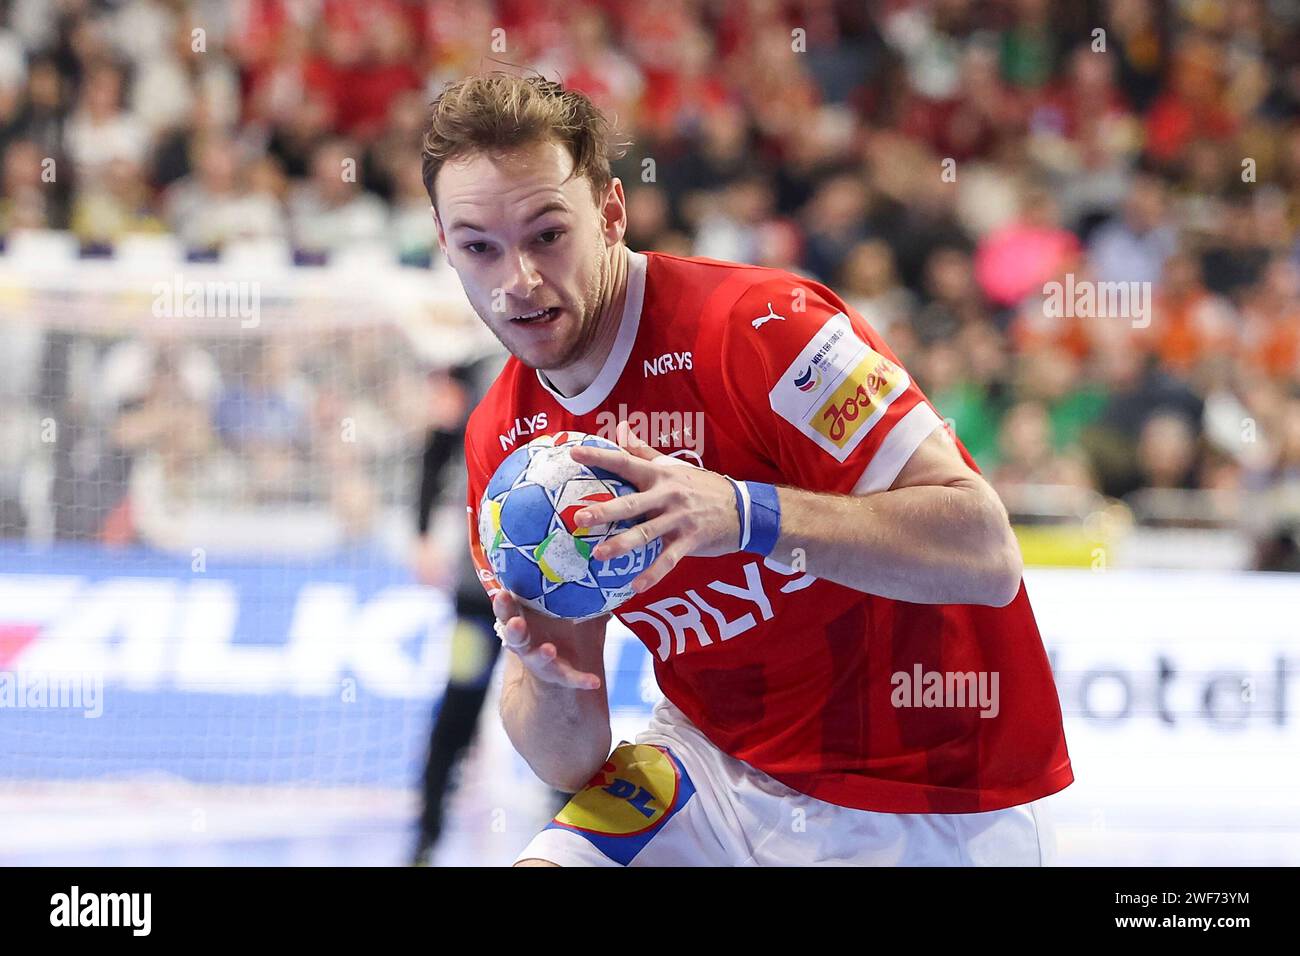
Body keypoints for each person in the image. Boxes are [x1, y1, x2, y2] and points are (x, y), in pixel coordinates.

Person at [421, 73, 1073, 866]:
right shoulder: (506, 437)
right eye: (479, 247)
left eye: (547, 234)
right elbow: (566, 759)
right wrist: (550, 680)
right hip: (707, 763)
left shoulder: (766, 329)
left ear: (611, 213)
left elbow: (985, 552)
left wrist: (740, 512)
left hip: (925, 793)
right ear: (445, 245)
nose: (516, 280)